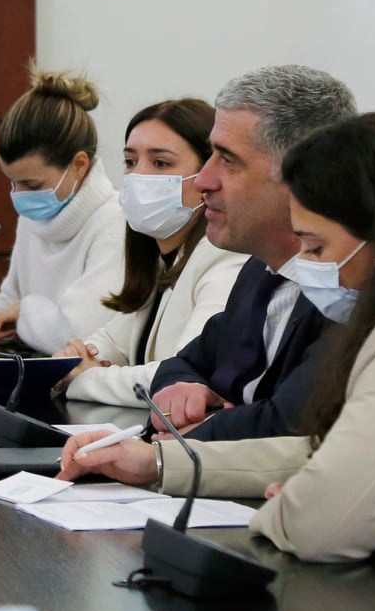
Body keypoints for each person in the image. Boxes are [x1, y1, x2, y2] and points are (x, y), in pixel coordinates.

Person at [60, 113, 375, 563]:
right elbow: (317, 452)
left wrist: (284, 509)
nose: (304, 267)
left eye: (316, 248)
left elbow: (319, 521)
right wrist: (155, 463)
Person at [139, 64, 356, 441]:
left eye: (228, 160)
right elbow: (185, 361)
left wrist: (200, 437)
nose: (203, 180)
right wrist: (182, 388)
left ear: (303, 174)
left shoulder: (347, 286)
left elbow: (293, 423)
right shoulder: (259, 270)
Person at [55, 98, 246, 407]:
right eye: (130, 162)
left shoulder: (224, 258)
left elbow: (184, 377)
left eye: (160, 163)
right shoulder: (160, 256)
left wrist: (86, 378)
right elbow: (110, 342)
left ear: (207, 176)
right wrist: (74, 359)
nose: (138, 176)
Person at [0, 67, 124, 352]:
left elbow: (74, 337)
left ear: (79, 165)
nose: (20, 196)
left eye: (31, 184)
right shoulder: (35, 216)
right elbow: (12, 300)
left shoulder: (115, 224)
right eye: (13, 183)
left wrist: (22, 310)